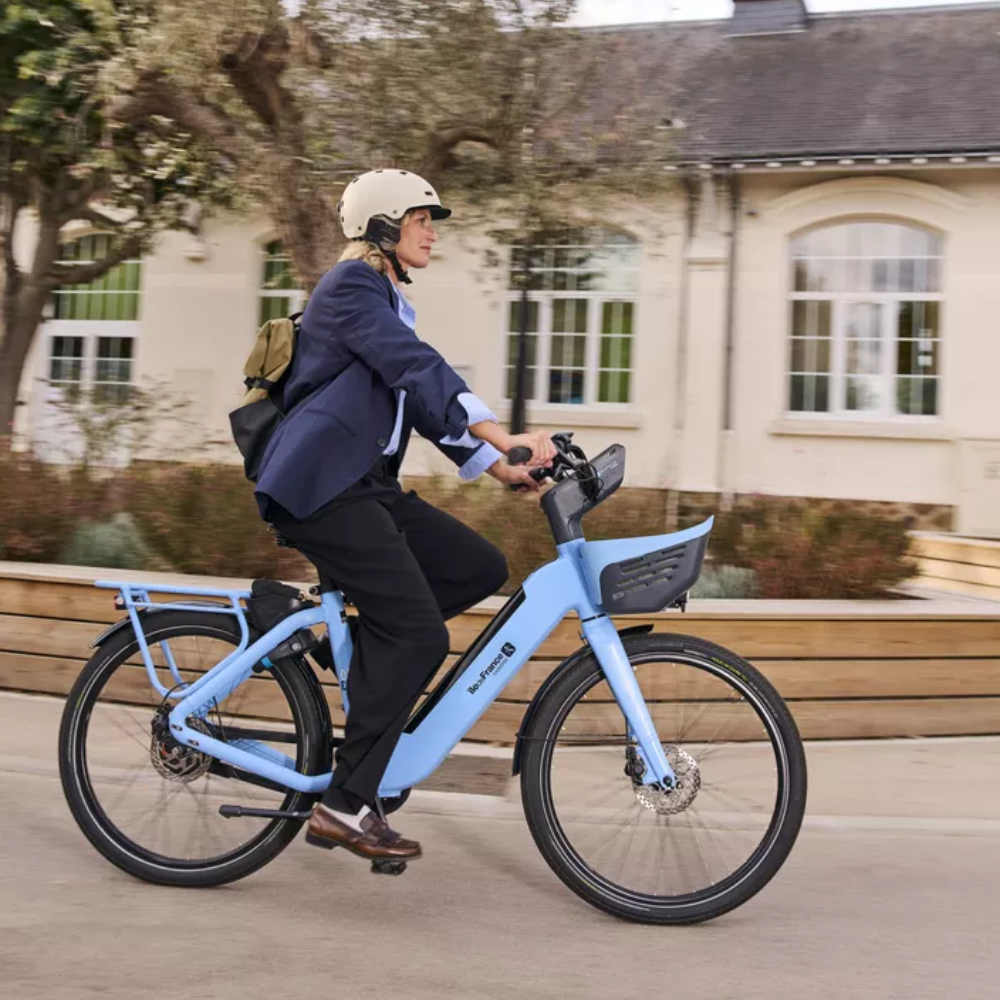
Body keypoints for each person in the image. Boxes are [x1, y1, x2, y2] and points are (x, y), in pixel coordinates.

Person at [254, 169, 555, 863]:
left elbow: (417, 398)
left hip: (363, 488)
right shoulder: (352, 288)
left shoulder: (382, 300)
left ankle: (347, 651)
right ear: (385, 227)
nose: (433, 231)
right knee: (419, 635)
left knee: (479, 567)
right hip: (321, 489)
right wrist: (497, 430)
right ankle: (344, 805)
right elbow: (415, 366)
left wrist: (500, 465)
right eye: (423, 219)